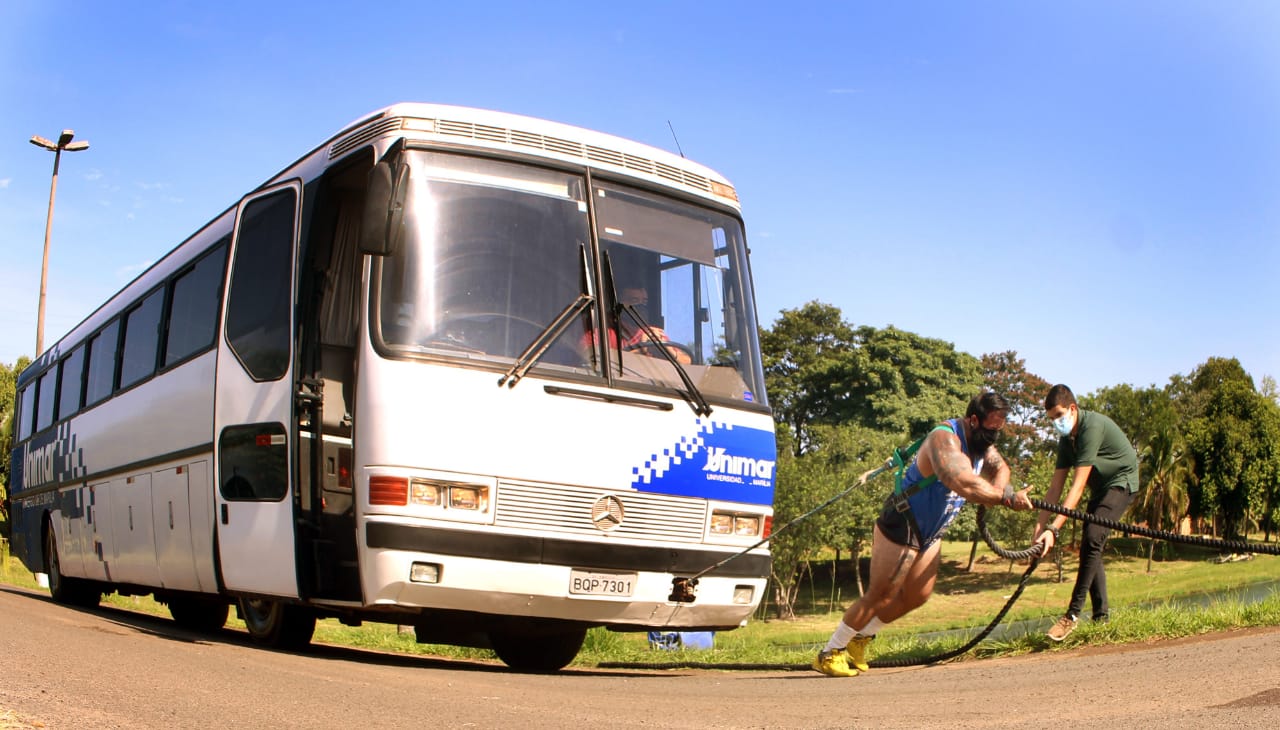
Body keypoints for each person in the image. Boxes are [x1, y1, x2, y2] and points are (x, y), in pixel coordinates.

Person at [812, 391, 1034, 678]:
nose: (994, 437)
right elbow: (963, 482)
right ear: (974, 420)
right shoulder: (945, 439)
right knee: (881, 594)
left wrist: (1004, 490)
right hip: (904, 522)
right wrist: (1004, 499)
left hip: (931, 531)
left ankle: (860, 638)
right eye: (991, 429)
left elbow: (999, 467)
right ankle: (830, 652)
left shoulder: (982, 442)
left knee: (918, 595)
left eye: (999, 430)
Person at [1033, 384, 1139, 642]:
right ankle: (1102, 618)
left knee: (1093, 538)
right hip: (1101, 489)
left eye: (1058, 416)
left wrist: (1054, 529)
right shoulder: (1066, 440)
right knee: (1090, 546)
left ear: (1072, 408)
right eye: (1051, 419)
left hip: (1122, 483)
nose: (1056, 423)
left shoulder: (1091, 428)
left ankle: (1071, 616)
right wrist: (1038, 529)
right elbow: (1055, 488)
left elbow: (1077, 487)